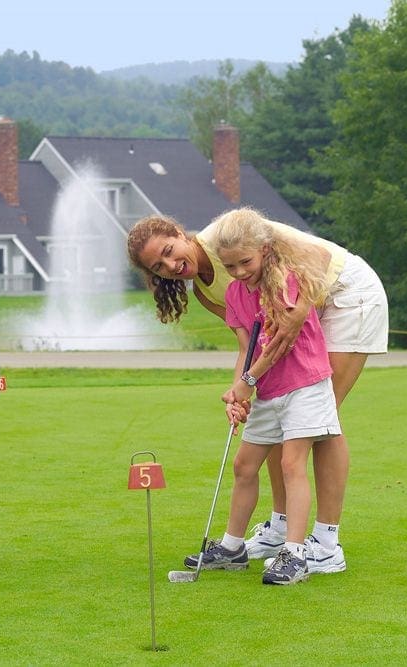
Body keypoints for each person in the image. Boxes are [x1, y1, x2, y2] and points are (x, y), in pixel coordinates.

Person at [128, 207, 388, 572]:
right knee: (283, 424)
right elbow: (249, 343)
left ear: (179, 232)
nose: (170, 265)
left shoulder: (230, 233)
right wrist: (241, 389)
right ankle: (280, 530)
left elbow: (318, 257)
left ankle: (327, 544)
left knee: (320, 420)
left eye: (169, 250)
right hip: (301, 318)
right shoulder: (208, 292)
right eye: (158, 266)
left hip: (346, 293)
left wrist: (298, 312)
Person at [182, 210, 341, 584]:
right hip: (269, 390)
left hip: (305, 384)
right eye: (230, 266)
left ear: (265, 250)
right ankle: (233, 547)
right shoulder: (236, 293)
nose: (238, 272)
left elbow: (275, 347)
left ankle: (295, 554)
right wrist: (237, 393)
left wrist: (247, 382)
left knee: (290, 464)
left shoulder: (285, 281)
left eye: (245, 262)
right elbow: (246, 348)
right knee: (244, 466)